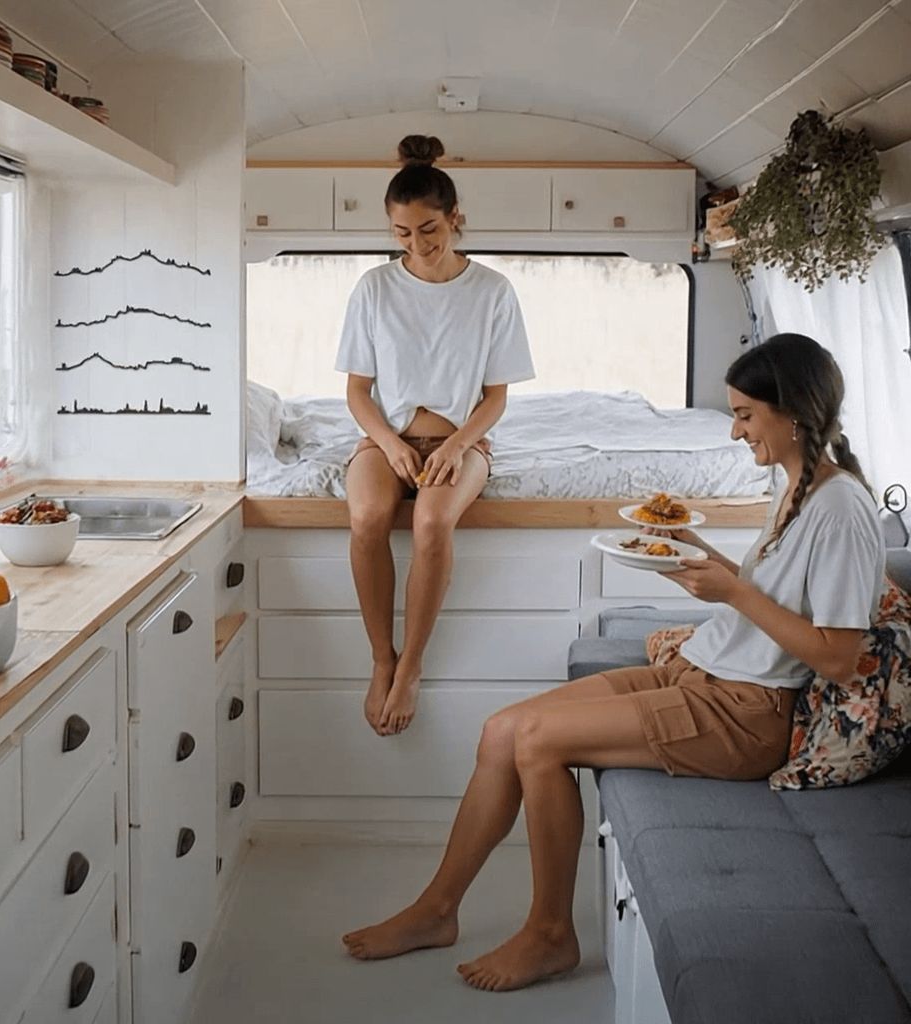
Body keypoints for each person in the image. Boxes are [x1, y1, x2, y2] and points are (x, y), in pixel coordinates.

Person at [341, 333, 886, 991]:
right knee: (502, 730)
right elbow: (771, 596)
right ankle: (437, 910)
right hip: (701, 671)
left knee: (538, 743)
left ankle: (549, 934)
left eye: (745, 414)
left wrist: (733, 590)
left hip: (746, 714)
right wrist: (697, 556)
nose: (737, 431)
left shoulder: (842, 507)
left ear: (793, 410)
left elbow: (838, 656)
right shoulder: (796, 485)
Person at [336, 134, 535, 737]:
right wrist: (392, 445)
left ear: (455, 219)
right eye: (402, 233)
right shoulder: (374, 288)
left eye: (429, 230)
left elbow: (496, 396)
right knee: (368, 517)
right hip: (385, 439)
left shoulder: (493, 291)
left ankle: (412, 666)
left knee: (431, 521)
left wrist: (454, 446)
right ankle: (382, 659)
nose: (417, 245)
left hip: (461, 440)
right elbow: (357, 393)